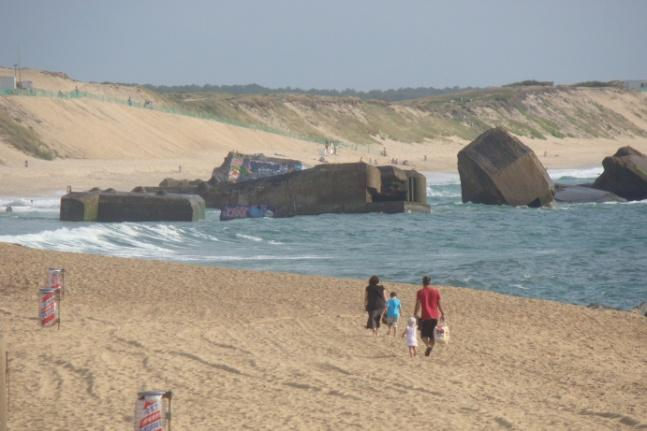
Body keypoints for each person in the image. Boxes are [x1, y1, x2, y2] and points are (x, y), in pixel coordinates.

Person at [414, 275, 445, 357]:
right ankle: (430, 347)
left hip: (425, 316)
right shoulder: (436, 291)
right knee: (432, 336)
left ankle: (428, 346)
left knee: (423, 335)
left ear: (422, 282)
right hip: (435, 316)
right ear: (430, 282)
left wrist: (415, 314)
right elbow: (438, 303)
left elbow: (418, 304)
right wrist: (442, 313)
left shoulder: (420, 292)